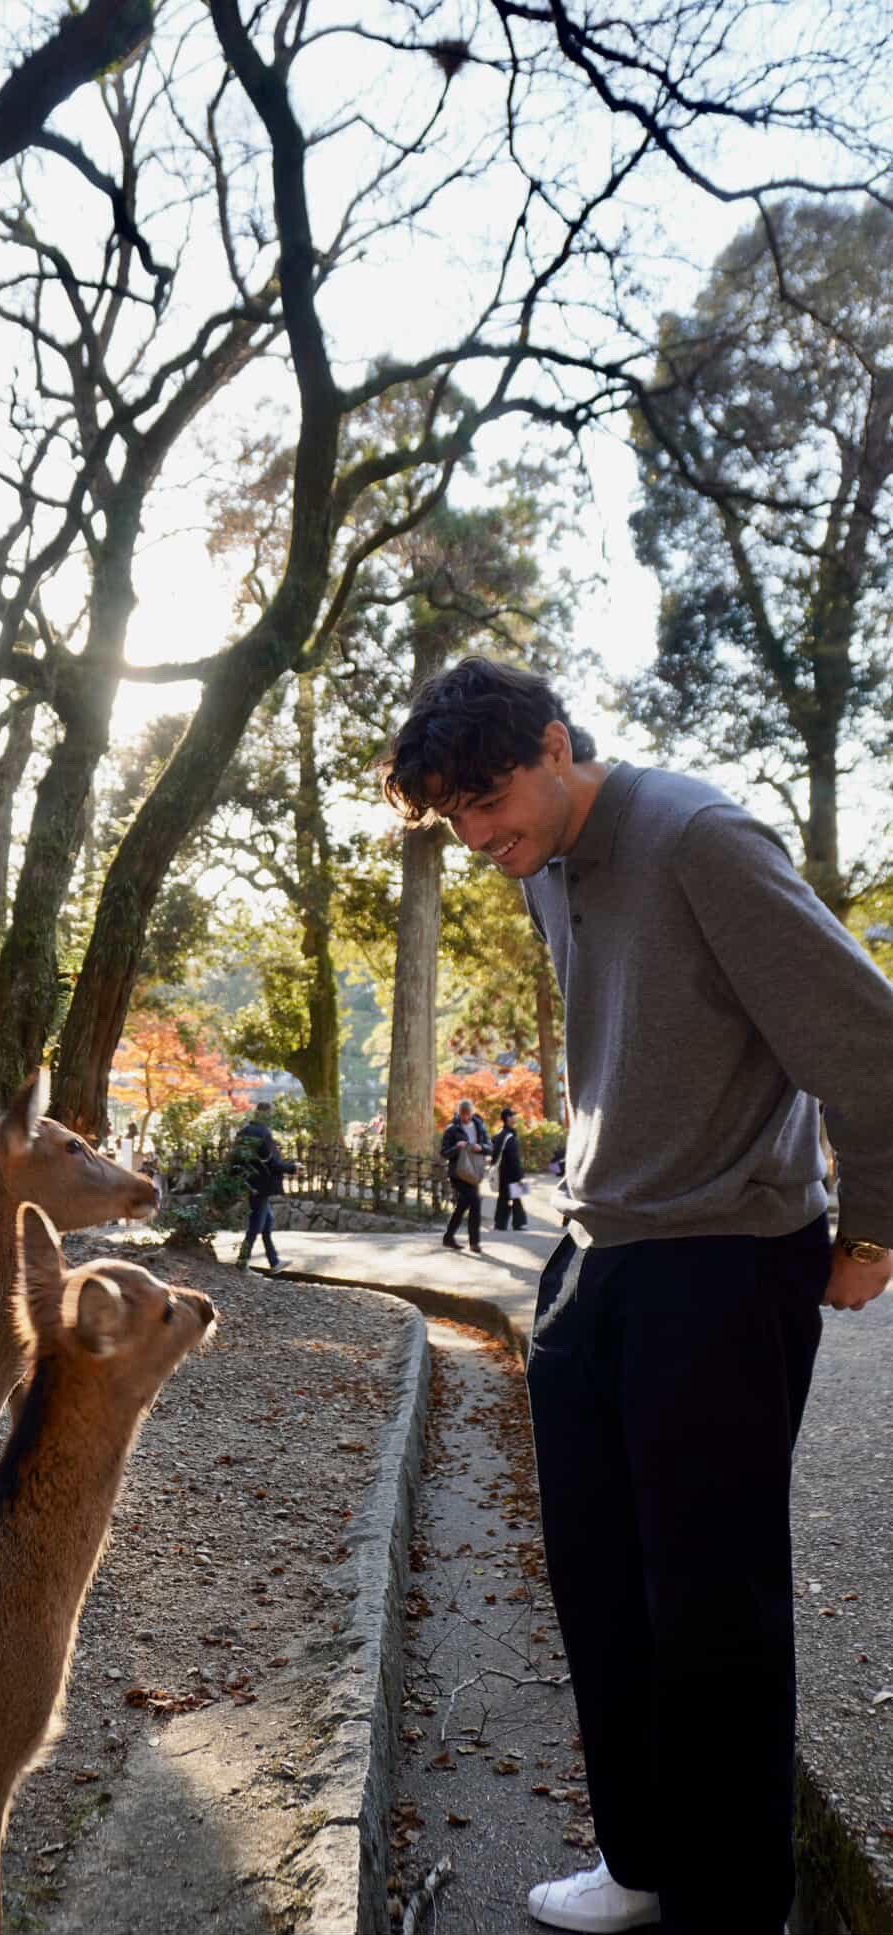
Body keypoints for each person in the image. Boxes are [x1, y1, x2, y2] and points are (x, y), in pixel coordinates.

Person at [382, 655, 892, 1935]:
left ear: (557, 745)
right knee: (600, 1579)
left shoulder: (699, 838)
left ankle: (733, 1906)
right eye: (457, 817)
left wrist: (874, 1232)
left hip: (723, 1262)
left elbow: (869, 1047)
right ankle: (646, 1858)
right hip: (599, 1254)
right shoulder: (545, 864)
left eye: (491, 798)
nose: (481, 834)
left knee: (712, 1603)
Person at [233, 1101, 293, 1274]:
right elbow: (273, 1162)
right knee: (255, 1225)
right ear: (266, 1114)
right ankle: (242, 1261)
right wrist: (292, 1168)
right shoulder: (263, 1133)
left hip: (250, 1182)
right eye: (271, 1114)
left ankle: (274, 1262)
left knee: (267, 1223)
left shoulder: (244, 1132)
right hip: (262, 1185)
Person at [440, 1097, 490, 1255]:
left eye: (468, 1114)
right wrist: (457, 1147)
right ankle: (474, 1243)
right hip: (458, 1173)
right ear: (458, 1113)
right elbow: (444, 1153)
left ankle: (448, 1237)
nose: (465, 1117)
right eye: (463, 1114)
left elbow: (490, 1147)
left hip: (474, 1172)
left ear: (472, 1113)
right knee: (475, 1201)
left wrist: (480, 1147)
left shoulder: (480, 1127)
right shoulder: (452, 1130)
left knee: (462, 1205)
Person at [489, 1106, 528, 1231]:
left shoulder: (499, 1135)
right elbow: (514, 1159)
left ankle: (500, 1224)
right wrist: (520, 1176)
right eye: (512, 1116)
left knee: (503, 1199)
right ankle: (518, 1223)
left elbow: (493, 1155)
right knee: (515, 1198)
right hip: (511, 1174)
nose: (514, 1119)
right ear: (507, 1119)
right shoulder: (510, 1137)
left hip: (502, 1174)